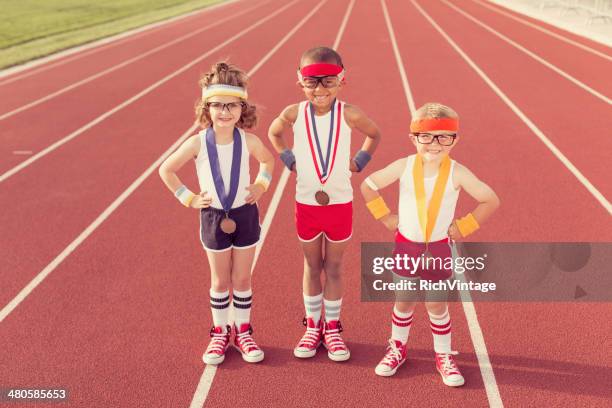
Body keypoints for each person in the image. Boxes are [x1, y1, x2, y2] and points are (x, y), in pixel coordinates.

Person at [360, 102, 499, 385]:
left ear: (454, 140)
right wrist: (385, 216)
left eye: (443, 137)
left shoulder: (457, 172)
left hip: (437, 249)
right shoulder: (404, 166)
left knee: (436, 305)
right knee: (404, 300)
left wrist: (464, 226)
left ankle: (443, 355)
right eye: (426, 136)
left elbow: (490, 200)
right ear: (413, 138)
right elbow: (368, 186)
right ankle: (397, 347)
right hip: (406, 246)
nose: (434, 144)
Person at [268, 46, 381, 361]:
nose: (319, 89)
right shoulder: (294, 113)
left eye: (328, 81)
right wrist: (288, 157)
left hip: (339, 203)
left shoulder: (350, 113)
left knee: (332, 267)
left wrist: (360, 160)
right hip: (306, 203)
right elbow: (274, 133)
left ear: (342, 79)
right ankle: (312, 326)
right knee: (311, 265)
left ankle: (332, 328)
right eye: (311, 82)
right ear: (299, 81)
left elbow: (374, 133)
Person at [159, 62, 274, 365]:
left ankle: (244, 331)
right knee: (220, 281)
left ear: (242, 108)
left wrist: (261, 185)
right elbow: (166, 170)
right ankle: (220, 332)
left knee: (243, 277)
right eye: (218, 106)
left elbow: (267, 162)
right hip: (213, 218)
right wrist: (187, 197)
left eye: (232, 106)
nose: (225, 112)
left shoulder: (249, 141)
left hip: (245, 215)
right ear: (206, 108)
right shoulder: (197, 143)